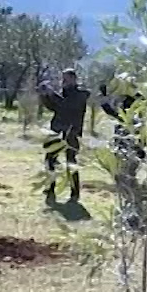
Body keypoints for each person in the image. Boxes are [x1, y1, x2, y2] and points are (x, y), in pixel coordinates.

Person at [38, 69, 91, 203]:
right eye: (63, 79)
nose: (63, 82)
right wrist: (45, 96)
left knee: (70, 162)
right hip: (57, 130)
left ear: (74, 79)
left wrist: (52, 94)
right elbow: (54, 107)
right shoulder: (63, 94)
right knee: (50, 159)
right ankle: (50, 188)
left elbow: (66, 106)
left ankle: (74, 193)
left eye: (66, 79)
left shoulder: (81, 95)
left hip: (71, 133)